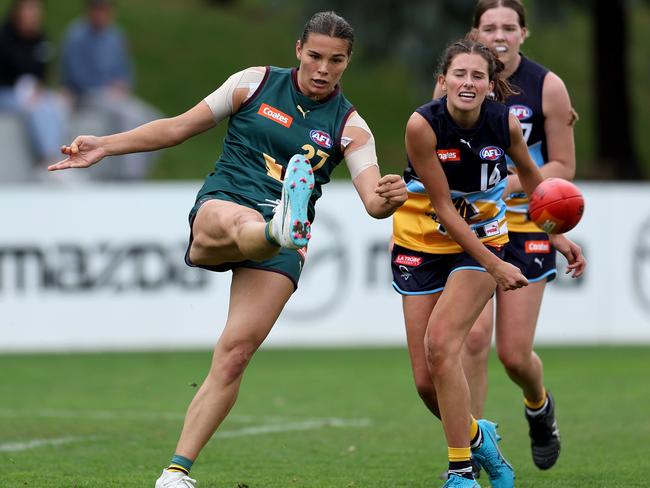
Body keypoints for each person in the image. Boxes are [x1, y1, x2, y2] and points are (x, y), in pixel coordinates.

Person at [49, 11, 408, 488]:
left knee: (235, 353)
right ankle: (276, 226)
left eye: (336, 61)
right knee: (242, 222)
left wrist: (389, 199)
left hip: (283, 243)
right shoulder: (252, 83)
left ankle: (175, 474)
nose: (324, 68)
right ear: (299, 50)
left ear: (347, 62)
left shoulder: (351, 128)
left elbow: (371, 202)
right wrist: (105, 146)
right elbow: (177, 127)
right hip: (227, 202)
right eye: (316, 56)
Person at [391, 38, 585, 488]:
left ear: (491, 86)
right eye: (459, 73)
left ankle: (462, 472)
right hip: (419, 242)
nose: (467, 82)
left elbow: (537, 182)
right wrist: (497, 268)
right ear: (443, 81)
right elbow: (442, 207)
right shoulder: (422, 125)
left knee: (443, 345)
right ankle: (482, 439)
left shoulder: (505, 124)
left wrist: (555, 234)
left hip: (481, 240)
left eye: (478, 75)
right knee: (426, 382)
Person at [432, 0, 579, 475]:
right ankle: (471, 455)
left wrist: (504, 186)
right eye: (489, 26)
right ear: (475, 31)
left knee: (514, 354)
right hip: (473, 225)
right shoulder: (459, 79)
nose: (499, 34)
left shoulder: (547, 86)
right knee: (470, 340)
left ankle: (539, 405)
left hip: (525, 221)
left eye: (509, 27)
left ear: (524, 33)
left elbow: (562, 168)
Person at [60, 0, 161, 180]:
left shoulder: (115, 36)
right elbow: (76, 76)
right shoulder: (76, 36)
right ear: (90, 11)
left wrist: (122, 84)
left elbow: (125, 70)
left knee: (154, 119)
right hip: (87, 95)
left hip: (115, 96)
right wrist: (106, 87)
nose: (102, 15)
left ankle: (141, 171)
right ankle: (131, 177)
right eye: (98, 10)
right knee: (131, 116)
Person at [0, 0, 68, 173]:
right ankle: (47, 159)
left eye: (36, 9)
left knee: (56, 104)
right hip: (6, 92)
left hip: (33, 92)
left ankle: (61, 155)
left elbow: (42, 73)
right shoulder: (4, 37)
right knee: (37, 108)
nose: (33, 14)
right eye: (29, 9)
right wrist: (22, 89)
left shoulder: (41, 38)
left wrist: (37, 88)